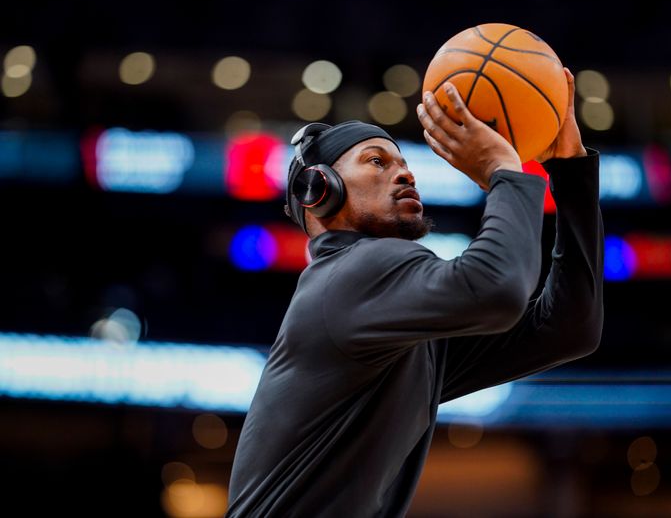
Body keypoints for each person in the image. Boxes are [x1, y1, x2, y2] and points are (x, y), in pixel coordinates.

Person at [226, 68, 603, 517]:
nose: (405, 174)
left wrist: (570, 170)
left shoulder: (395, 323)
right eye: (377, 162)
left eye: (405, 164)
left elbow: (569, 328)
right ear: (320, 190)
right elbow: (498, 288)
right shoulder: (354, 271)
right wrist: (505, 171)